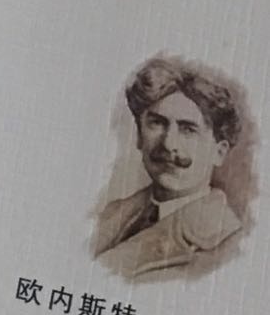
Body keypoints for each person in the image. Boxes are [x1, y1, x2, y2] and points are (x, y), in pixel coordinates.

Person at [92, 56, 249, 279]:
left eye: (188, 130)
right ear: (139, 136)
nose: (168, 144)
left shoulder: (228, 243)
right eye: (157, 123)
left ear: (219, 152)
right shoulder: (110, 215)